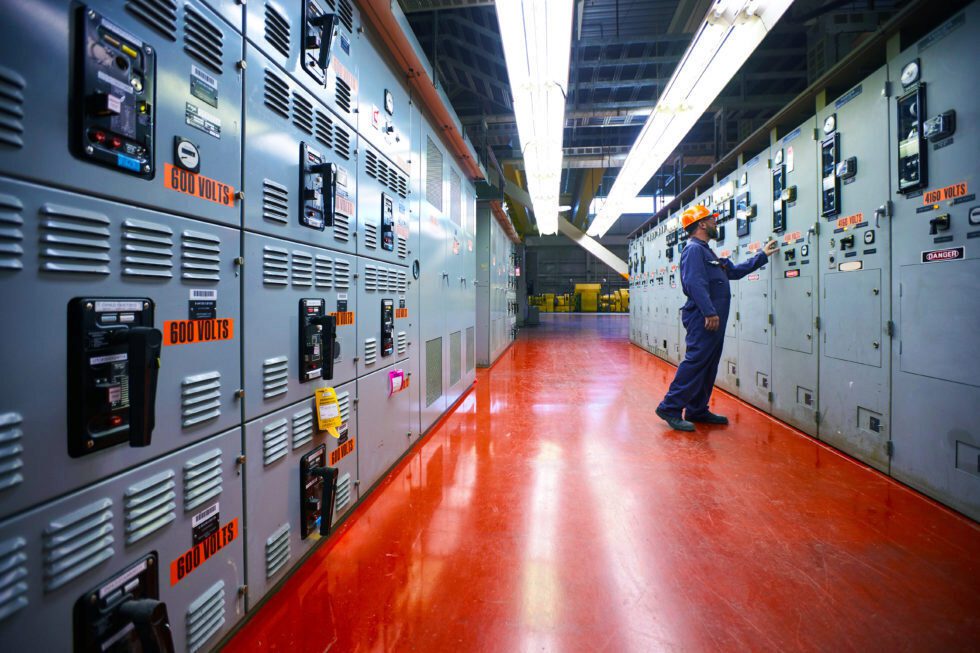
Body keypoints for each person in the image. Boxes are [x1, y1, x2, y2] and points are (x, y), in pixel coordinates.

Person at [655, 204, 779, 431]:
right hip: (703, 318)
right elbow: (694, 282)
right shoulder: (694, 250)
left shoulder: (706, 251)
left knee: (708, 364)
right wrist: (709, 311)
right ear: (701, 224)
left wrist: (762, 256)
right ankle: (669, 407)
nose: (716, 223)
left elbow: (732, 271)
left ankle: (697, 409)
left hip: (712, 319)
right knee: (695, 362)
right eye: (712, 220)